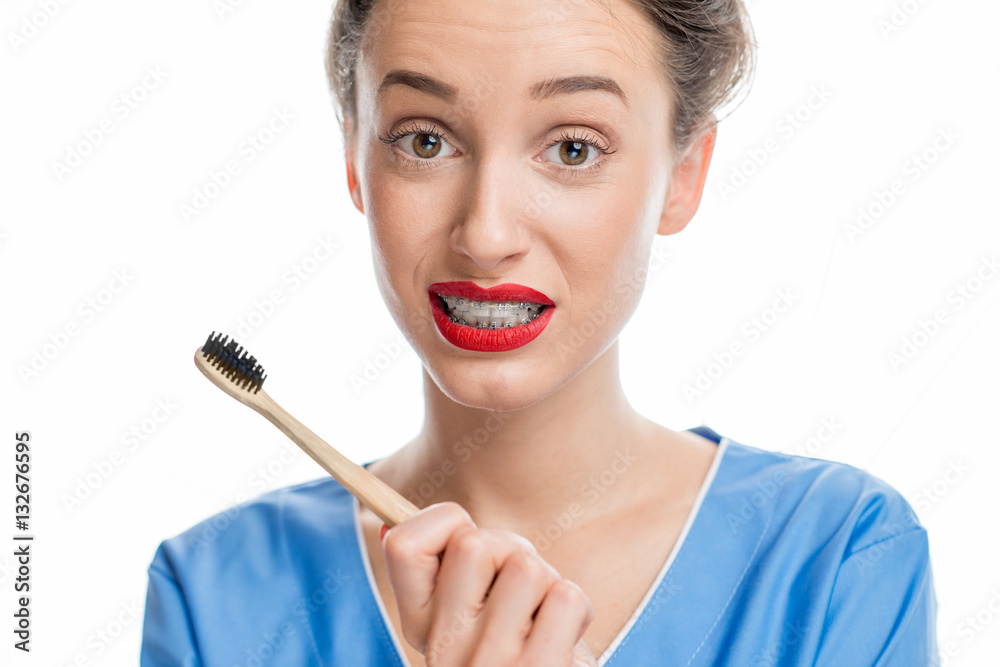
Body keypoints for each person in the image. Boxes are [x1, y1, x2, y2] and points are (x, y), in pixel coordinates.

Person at [140, 0, 939, 665]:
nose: (486, 234)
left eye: (571, 147)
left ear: (684, 172)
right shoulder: (214, 597)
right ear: (355, 156)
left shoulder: (838, 559)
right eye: (425, 140)